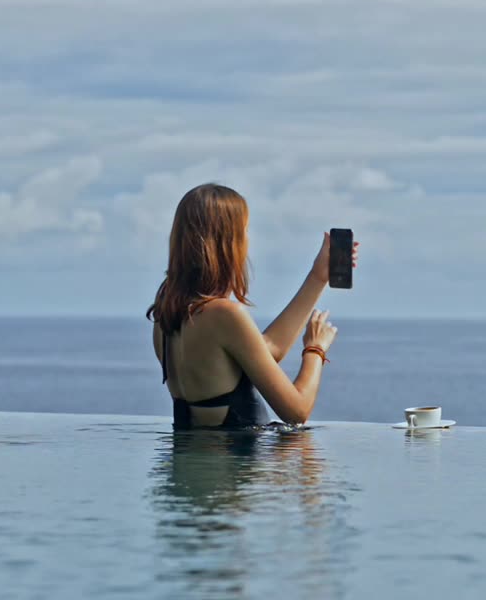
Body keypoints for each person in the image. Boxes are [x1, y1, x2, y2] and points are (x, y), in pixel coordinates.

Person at [146, 183, 358, 429]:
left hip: (190, 464)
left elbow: (262, 352)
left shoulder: (166, 316)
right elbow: (296, 411)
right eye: (244, 231)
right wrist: (315, 350)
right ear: (228, 242)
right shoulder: (225, 315)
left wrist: (317, 278)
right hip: (238, 467)